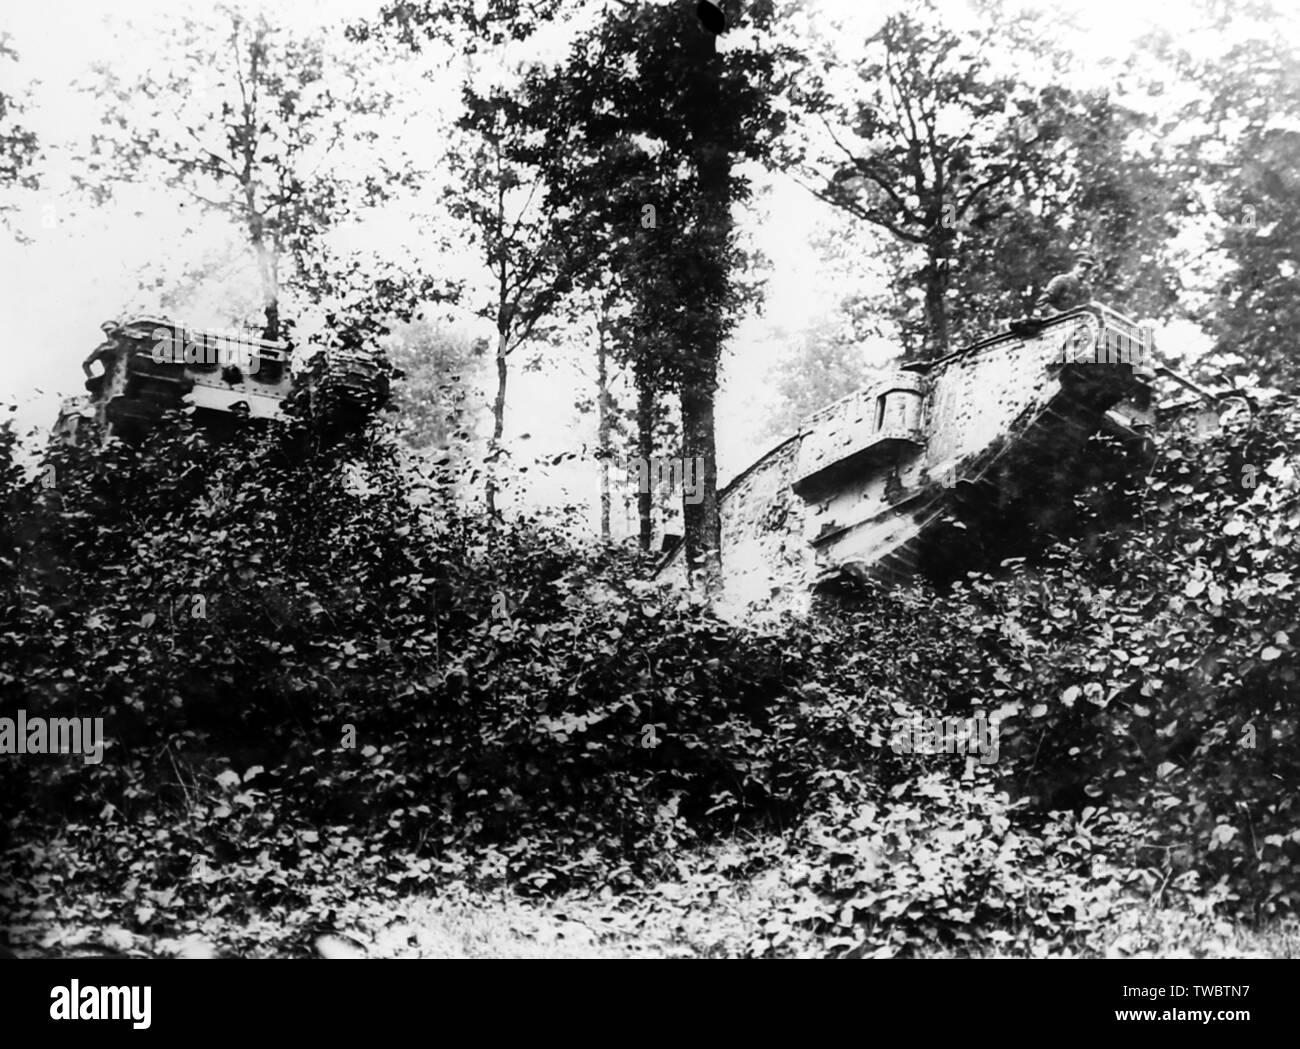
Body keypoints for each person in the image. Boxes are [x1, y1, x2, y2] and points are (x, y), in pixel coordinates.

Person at [1034, 250, 1097, 317]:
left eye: (1088, 268)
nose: (1084, 269)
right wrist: (1056, 314)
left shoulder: (1086, 289)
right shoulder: (1061, 280)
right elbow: (1041, 302)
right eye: (1081, 265)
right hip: (1053, 321)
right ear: (1074, 266)